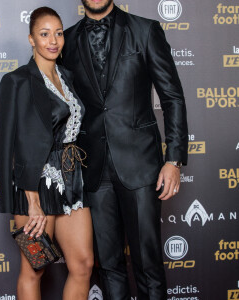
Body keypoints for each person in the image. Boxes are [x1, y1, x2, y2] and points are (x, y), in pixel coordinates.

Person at [61, 1, 188, 299]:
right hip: (92, 169)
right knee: (108, 266)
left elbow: (173, 97)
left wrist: (174, 159)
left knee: (148, 263)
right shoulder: (67, 40)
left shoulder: (145, 30)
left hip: (141, 165)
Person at [0, 7, 93, 300]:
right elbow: (8, 145)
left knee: (83, 264)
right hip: (36, 184)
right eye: (44, 34)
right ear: (31, 39)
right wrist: (31, 201)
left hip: (72, 178)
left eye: (59, 33)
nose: (53, 40)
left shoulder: (68, 76)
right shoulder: (17, 80)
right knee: (34, 269)